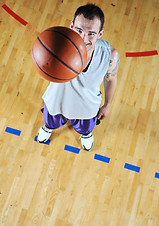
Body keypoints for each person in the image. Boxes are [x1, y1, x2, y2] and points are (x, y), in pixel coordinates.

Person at [37, 4, 120, 151]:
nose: (83, 37)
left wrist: (107, 105)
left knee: (85, 128)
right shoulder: (56, 45)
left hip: (87, 105)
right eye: (79, 30)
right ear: (71, 26)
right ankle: (48, 128)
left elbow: (111, 79)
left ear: (100, 34)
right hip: (58, 99)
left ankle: (85, 134)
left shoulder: (110, 55)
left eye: (91, 34)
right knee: (51, 121)